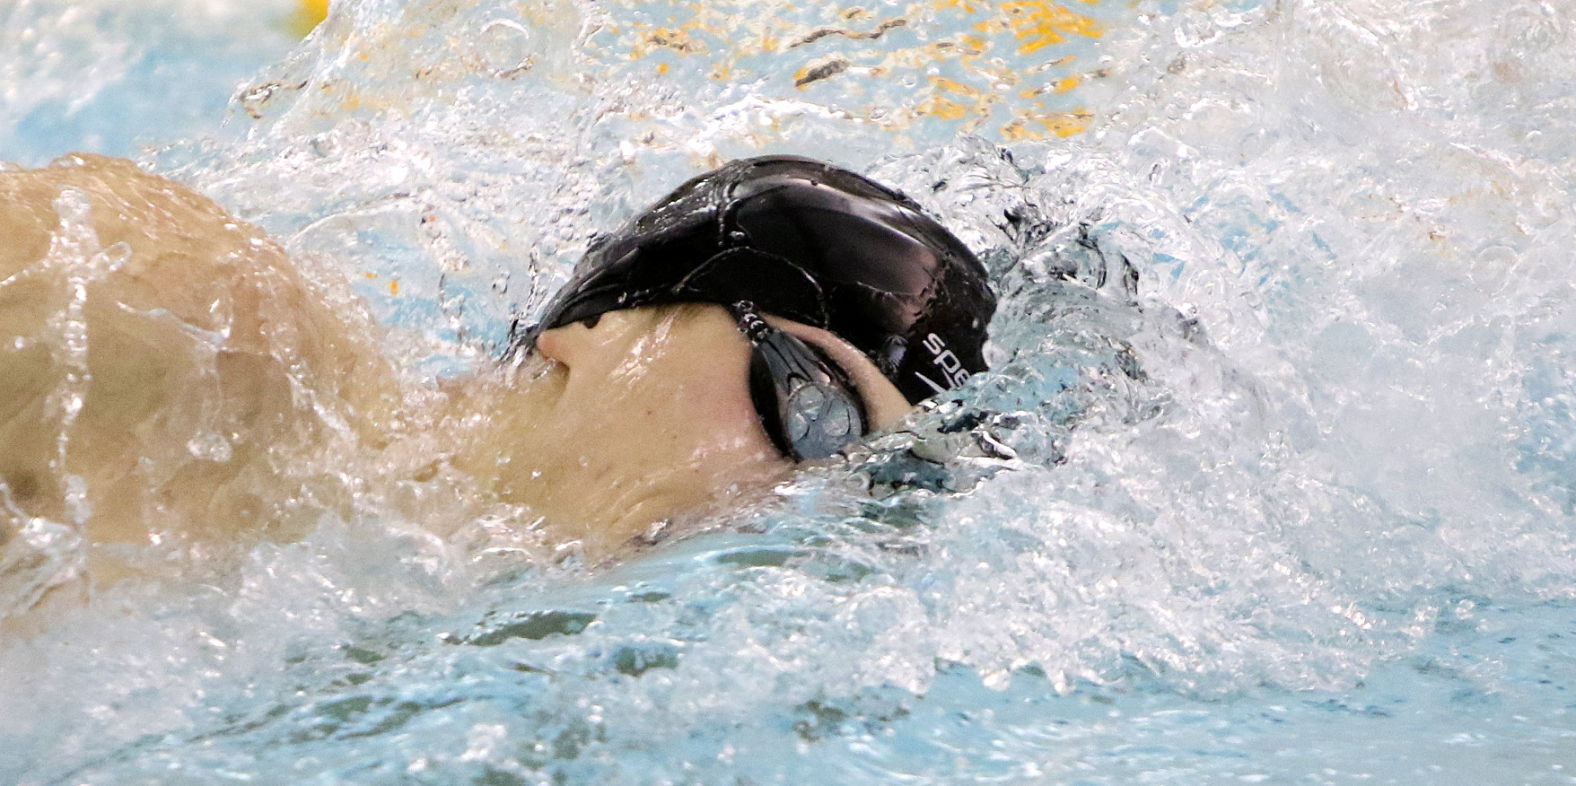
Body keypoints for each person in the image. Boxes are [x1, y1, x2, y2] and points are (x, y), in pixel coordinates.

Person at [0, 153, 993, 596]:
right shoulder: (198, 324)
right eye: (809, 411)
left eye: (871, 487)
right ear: (596, 327)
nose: (798, 508)